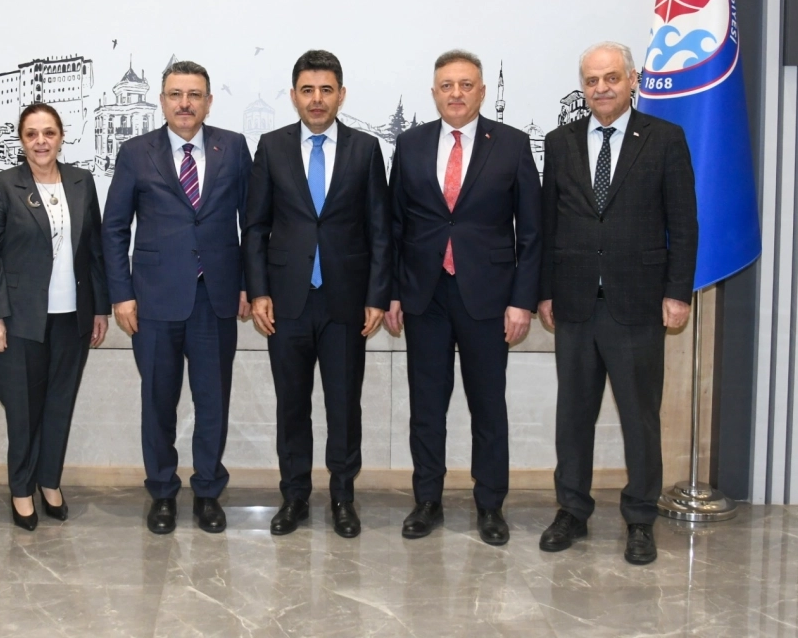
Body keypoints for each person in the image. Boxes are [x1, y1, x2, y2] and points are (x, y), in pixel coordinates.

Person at [536, 41, 696, 566]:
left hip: (638, 303)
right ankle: (572, 510)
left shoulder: (665, 139)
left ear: (632, 80)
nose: (601, 88)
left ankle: (640, 518)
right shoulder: (559, 143)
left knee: (639, 418)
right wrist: (544, 291)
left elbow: (684, 222)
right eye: (591, 80)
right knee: (573, 416)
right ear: (582, 87)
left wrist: (677, 292)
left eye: (610, 78)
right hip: (576, 302)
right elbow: (548, 224)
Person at [388, 49, 540, 546]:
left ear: (481, 91)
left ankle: (490, 505)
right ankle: (427, 500)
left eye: (466, 84)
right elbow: (394, 225)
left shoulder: (512, 144)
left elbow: (531, 231)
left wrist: (522, 300)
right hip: (424, 295)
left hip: (490, 297)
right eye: (447, 85)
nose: (456, 93)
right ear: (434, 93)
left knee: (488, 406)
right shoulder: (410, 144)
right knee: (426, 406)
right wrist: (392, 292)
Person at [243, 50, 391, 538]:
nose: (317, 99)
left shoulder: (365, 149)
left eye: (326, 89)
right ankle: (295, 497)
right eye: (307, 90)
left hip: (346, 303)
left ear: (341, 95)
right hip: (286, 302)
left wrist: (376, 295)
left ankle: (343, 498)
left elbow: (380, 229)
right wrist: (258, 291)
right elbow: (255, 226)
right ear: (294, 96)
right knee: (292, 406)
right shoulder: (272, 147)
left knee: (344, 406)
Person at [102, 60, 253, 535]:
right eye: (175, 94)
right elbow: (114, 228)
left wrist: (249, 284)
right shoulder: (135, 152)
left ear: (208, 101)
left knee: (213, 402)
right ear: (163, 100)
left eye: (194, 95)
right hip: (153, 300)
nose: (185, 103)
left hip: (216, 298)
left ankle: (208, 491)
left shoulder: (234, 147)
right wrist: (121, 295)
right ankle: (163, 492)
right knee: (158, 402)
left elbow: (252, 223)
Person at [0, 103, 110, 530]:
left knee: (59, 404)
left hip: (72, 317)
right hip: (19, 320)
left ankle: (49, 481)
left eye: (49, 133)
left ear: (61, 137)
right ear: (21, 140)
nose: (41, 142)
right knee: (23, 410)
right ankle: (21, 488)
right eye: (32, 134)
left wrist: (100, 309)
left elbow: (94, 251)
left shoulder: (81, 181)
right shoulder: (3, 185)